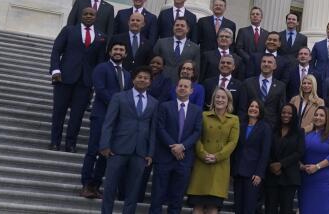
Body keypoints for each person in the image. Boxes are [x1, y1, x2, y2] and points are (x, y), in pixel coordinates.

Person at [99, 66, 157, 214]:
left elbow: (153, 129)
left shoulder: (154, 103)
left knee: (133, 191)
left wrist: (150, 153)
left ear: (150, 82)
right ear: (133, 79)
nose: (142, 80)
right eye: (140, 77)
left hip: (140, 152)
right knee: (110, 188)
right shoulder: (119, 97)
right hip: (118, 148)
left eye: (146, 78)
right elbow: (109, 122)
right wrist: (105, 145)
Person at [49, 6, 106, 151]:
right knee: (59, 111)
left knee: (77, 115)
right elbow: (56, 50)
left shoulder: (100, 36)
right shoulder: (69, 30)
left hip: (85, 82)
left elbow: (99, 63)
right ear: (81, 16)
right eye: (85, 14)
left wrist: (96, 82)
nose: (88, 16)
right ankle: (55, 141)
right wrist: (55, 70)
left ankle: (70, 143)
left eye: (91, 14)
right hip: (64, 78)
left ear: (95, 17)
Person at [81, 41, 129, 199]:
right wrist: (117, 105)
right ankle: (86, 184)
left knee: (105, 152)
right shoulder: (102, 68)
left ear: (125, 54)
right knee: (93, 150)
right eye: (115, 49)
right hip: (101, 115)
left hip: (116, 120)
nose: (118, 52)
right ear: (110, 53)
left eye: (121, 50)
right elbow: (100, 90)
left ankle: (96, 185)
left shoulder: (127, 74)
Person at [152, 77, 203, 214]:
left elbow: (197, 132)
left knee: (177, 199)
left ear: (191, 91)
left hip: (184, 160)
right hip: (164, 158)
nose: (182, 88)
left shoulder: (197, 111)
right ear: (176, 88)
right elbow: (160, 128)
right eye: (180, 85)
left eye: (186, 86)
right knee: (157, 196)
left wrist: (183, 146)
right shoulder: (165, 106)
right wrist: (174, 147)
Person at [187, 86, 239, 213]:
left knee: (213, 206)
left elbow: (232, 142)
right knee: (197, 205)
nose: (220, 100)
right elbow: (197, 137)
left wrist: (217, 156)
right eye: (217, 97)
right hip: (202, 164)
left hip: (220, 166)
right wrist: (203, 154)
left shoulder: (234, 119)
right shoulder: (203, 115)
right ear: (213, 99)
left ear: (228, 101)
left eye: (223, 97)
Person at [232, 99, 272, 214]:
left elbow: (265, 152)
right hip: (238, 172)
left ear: (260, 111)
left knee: (249, 208)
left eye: (256, 107)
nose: (253, 108)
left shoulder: (265, 128)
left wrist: (259, 173)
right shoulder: (241, 126)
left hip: (253, 175)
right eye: (251, 106)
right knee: (238, 207)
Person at [300, 106, 329, 214]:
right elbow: (299, 153)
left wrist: (317, 167)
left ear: (327, 118)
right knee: (306, 207)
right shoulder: (307, 135)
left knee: (323, 208)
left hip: (326, 178)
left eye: (321, 115)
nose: (318, 117)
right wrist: (301, 165)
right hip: (307, 177)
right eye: (316, 115)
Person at [265, 104, 305, 214]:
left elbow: (299, 152)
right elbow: (266, 149)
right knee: (270, 209)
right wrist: (271, 165)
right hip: (272, 175)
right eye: (283, 112)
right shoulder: (272, 130)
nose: (286, 115)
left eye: (289, 113)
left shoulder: (299, 131)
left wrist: (281, 164)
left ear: (294, 115)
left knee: (286, 210)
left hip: (289, 177)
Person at [244, 53, 286, 125]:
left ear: (275, 66)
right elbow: (242, 107)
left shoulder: (281, 86)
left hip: (271, 126)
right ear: (260, 64)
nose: (266, 64)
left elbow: (281, 109)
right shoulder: (248, 83)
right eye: (264, 61)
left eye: (269, 62)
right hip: (250, 125)